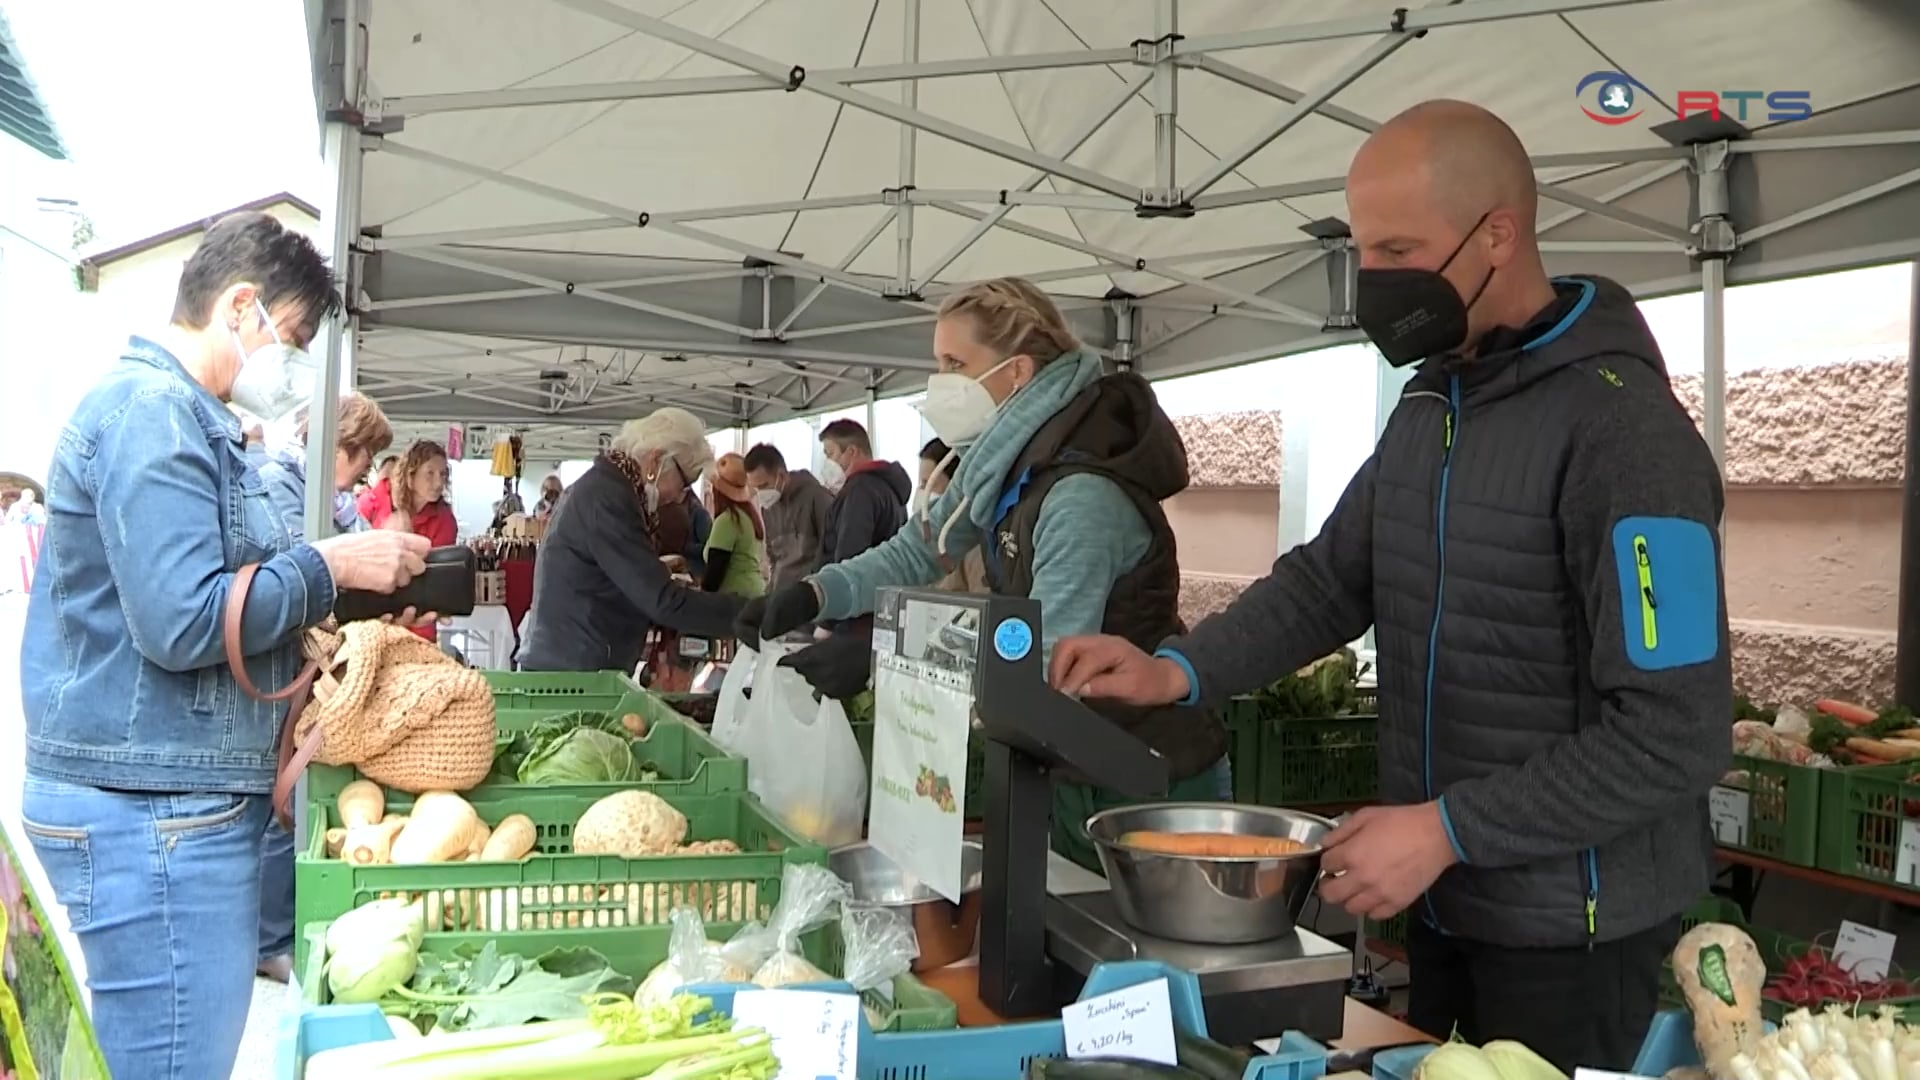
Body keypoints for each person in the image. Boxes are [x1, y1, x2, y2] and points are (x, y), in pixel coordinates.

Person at [1047, 100, 1731, 1071]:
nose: (1374, 282)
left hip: (1573, 938)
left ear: (1499, 233)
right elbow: (1332, 580)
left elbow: (1677, 730)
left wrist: (1449, 829)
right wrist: (1176, 672)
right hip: (1446, 905)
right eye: (1364, 252)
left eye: (1399, 248)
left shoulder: (1628, 438)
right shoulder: (1432, 402)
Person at [17, 210, 432, 1080]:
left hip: (162, 800)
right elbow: (184, 621)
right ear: (239, 307)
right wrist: (328, 565)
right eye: (293, 337)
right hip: (154, 814)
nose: (294, 364)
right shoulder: (152, 413)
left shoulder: (182, 415)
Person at [737, 277, 1229, 869]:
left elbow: (1051, 658)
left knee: (1137, 955)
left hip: (1147, 776)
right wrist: (814, 594)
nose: (939, 381)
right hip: (1072, 765)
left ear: (1017, 372)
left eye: (954, 363)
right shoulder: (1002, 469)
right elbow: (917, 551)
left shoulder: (1080, 497)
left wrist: (879, 660)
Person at [248, 391, 394, 982]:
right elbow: (297, 570)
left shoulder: (331, 497)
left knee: (298, 799)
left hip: (319, 669)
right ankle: (267, 942)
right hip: (284, 670)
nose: (365, 474)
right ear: (339, 448)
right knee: (284, 801)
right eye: (363, 460)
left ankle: (278, 929)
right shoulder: (277, 486)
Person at [517, 408, 743, 672]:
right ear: (656, 461)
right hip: (574, 668)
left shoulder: (606, 487)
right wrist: (747, 614)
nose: (680, 496)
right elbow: (661, 600)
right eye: (684, 483)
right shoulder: (608, 498)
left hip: (575, 657)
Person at [367, 440, 458, 641]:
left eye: (443, 474)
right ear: (410, 474)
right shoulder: (378, 499)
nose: (438, 483)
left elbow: (435, 576)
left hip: (419, 624)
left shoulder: (444, 520)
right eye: (430, 473)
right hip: (374, 619)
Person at [817, 418, 910, 568]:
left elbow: (850, 559)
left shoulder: (860, 490)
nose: (827, 463)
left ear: (852, 452)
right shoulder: (890, 486)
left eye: (830, 454)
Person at [744, 444, 835, 589]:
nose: (761, 493)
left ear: (781, 475)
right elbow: (773, 558)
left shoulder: (817, 497)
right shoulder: (769, 507)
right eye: (756, 488)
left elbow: (831, 550)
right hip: (781, 594)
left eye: (763, 485)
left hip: (811, 594)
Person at [917, 438, 987, 593]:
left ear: (955, 484)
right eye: (921, 485)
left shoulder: (975, 545)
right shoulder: (936, 539)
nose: (922, 492)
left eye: (928, 484)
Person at [702, 452, 768, 599]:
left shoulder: (727, 520)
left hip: (734, 597)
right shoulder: (750, 516)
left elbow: (715, 573)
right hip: (755, 592)